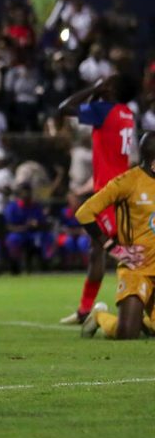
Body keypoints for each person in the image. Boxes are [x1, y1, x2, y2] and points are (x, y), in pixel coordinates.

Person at [58, 76, 135, 324]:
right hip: (122, 191)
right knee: (99, 251)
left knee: (121, 252)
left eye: (106, 82)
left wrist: (93, 88)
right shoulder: (126, 112)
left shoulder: (103, 110)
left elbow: (64, 108)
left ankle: (134, 309)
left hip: (107, 194)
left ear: (109, 89)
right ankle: (83, 311)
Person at [78, 132, 155, 339]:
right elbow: (84, 212)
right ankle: (100, 315)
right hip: (136, 268)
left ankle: (147, 324)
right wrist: (113, 248)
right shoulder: (127, 182)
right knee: (126, 334)